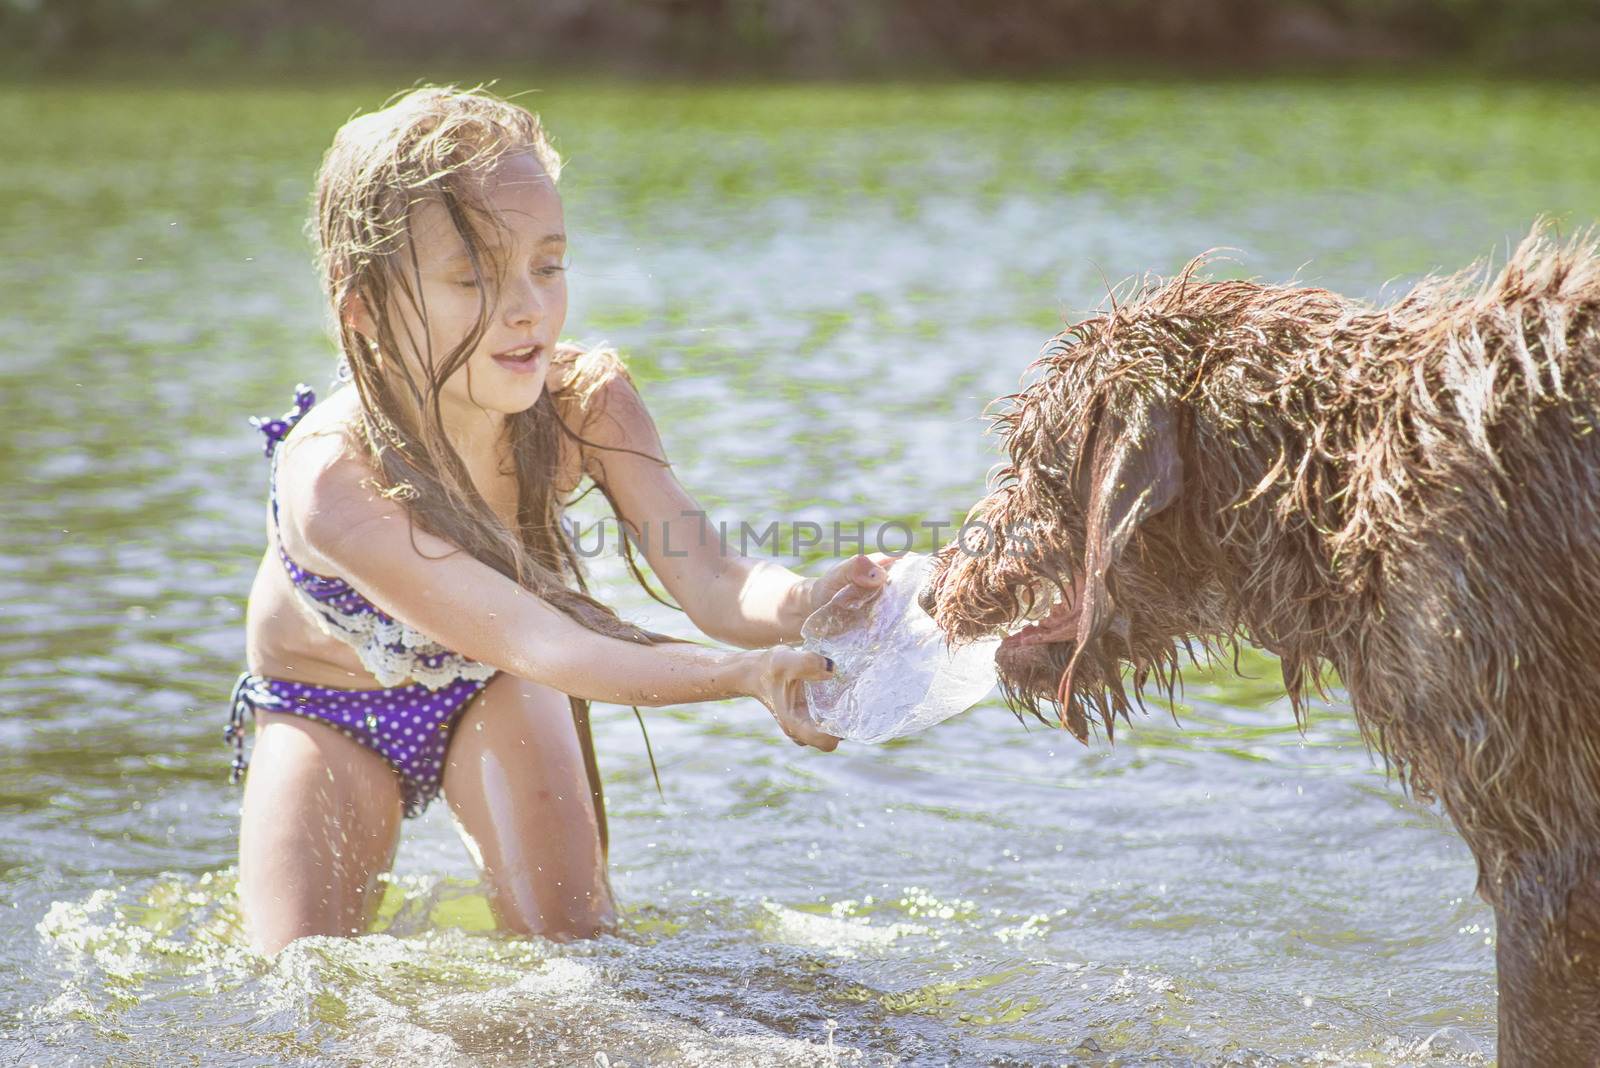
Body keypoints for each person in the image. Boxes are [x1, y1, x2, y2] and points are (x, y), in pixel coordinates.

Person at [227, 85, 889, 955]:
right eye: (473, 277)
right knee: (303, 984)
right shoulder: (335, 480)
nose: (528, 308)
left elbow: (714, 577)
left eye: (549, 264)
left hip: (491, 684)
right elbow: (550, 644)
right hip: (329, 704)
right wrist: (743, 677)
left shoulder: (584, 403)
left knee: (578, 955)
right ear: (365, 309)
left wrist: (806, 601)